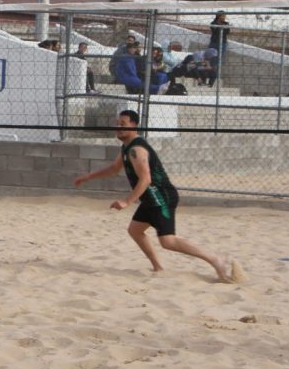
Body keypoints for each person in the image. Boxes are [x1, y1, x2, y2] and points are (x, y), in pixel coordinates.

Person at [73, 109, 234, 282]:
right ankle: (158, 267)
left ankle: (216, 260)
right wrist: (88, 177)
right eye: (117, 124)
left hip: (161, 197)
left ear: (134, 126)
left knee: (168, 241)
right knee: (135, 231)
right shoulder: (126, 147)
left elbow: (146, 179)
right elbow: (114, 168)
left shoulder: (137, 149)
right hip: (150, 199)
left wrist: (127, 202)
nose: (118, 127)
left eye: (123, 124)